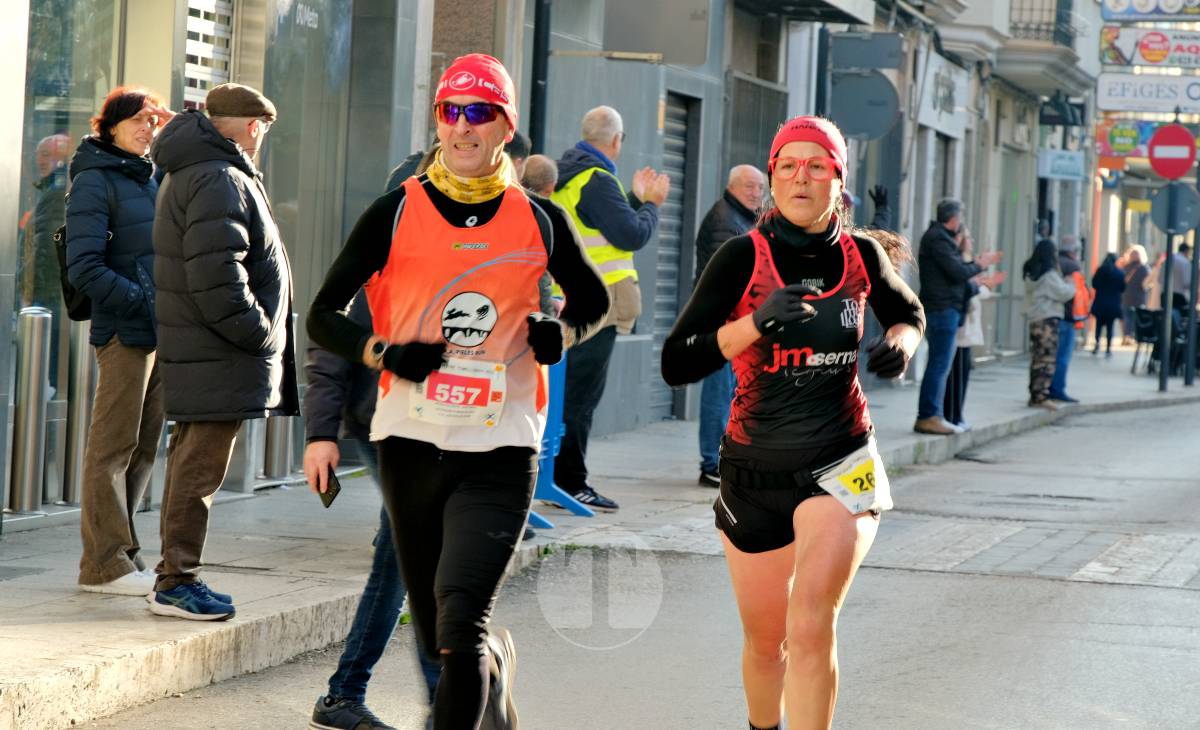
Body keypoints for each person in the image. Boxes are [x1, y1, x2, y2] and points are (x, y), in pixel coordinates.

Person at [307, 54, 608, 730]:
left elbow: (593, 301)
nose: (465, 127)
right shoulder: (394, 211)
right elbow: (321, 315)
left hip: (502, 445)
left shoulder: (538, 219)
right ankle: (491, 673)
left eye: (480, 113)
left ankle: (481, 663)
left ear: (506, 126)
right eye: (452, 112)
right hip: (409, 440)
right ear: (438, 122)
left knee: (460, 623)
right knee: (435, 634)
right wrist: (385, 352)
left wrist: (560, 332)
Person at [662, 116, 924, 730]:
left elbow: (908, 312)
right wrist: (754, 324)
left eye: (816, 166)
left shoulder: (860, 256)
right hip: (752, 470)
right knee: (766, 642)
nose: (800, 177)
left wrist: (903, 342)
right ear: (773, 176)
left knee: (810, 623)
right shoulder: (740, 258)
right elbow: (677, 362)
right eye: (787, 166)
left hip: (842, 461)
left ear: (839, 178)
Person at [149, 82, 298, 620]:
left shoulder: (204, 170)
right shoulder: (218, 175)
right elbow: (217, 275)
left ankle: (176, 574)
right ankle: (176, 582)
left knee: (193, 465)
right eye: (262, 128)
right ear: (250, 125)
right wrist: (261, 333)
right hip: (218, 351)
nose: (261, 137)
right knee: (198, 470)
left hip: (208, 350)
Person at [304, 291, 442, 730]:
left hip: (449, 426)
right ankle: (445, 697)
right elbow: (329, 341)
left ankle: (344, 695)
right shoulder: (380, 256)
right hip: (384, 424)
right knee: (418, 555)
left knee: (401, 559)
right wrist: (320, 434)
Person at [67, 87, 172, 596]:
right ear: (109, 125)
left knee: (143, 449)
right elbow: (84, 267)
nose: (146, 128)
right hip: (124, 331)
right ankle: (102, 564)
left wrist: (175, 129)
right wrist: (143, 300)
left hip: (158, 332)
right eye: (137, 120)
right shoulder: (94, 180)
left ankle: (125, 555)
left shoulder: (152, 176)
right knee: (112, 448)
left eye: (152, 121)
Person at [551, 105, 670, 512]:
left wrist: (633, 197)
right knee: (580, 400)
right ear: (616, 141)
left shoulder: (571, 176)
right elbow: (630, 234)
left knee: (566, 398)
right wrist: (651, 203)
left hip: (569, 301)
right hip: (595, 308)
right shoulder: (597, 180)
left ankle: (556, 477)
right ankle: (570, 482)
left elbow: (600, 230)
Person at [693, 164, 764, 487]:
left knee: (732, 393)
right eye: (749, 186)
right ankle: (711, 462)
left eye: (760, 188)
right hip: (722, 322)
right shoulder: (725, 220)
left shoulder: (744, 219)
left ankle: (724, 458)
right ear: (732, 186)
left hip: (736, 322)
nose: (755, 193)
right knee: (719, 394)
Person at [914, 199, 1000, 435]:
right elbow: (958, 272)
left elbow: (958, 272)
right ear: (953, 219)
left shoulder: (939, 238)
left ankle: (933, 414)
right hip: (942, 310)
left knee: (941, 365)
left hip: (944, 309)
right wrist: (980, 264)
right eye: (960, 218)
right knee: (939, 366)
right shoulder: (938, 239)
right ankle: (929, 415)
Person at [942, 227, 1004, 431]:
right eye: (968, 236)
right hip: (961, 326)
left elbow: (975, 288)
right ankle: (952, 416)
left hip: (966, 325)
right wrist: (981, 284)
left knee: (963, 373)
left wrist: (984, 283)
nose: (971, 239)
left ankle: (957, 415)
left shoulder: (966, 262)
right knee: (957, 374)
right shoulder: (959, 262)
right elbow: (968, 289)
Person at [1023, 239, 1075, 410]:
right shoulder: (1049, 275)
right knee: (1046, 358)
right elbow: (1064, 293)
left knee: (1037, 357)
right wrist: (1071, 284)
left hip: (1035, 319)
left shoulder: (1032, 273)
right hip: (1048, 319)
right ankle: (1041, 395)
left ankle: (1035, 393)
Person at [1049, 235, 1086, 403]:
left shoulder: (1054, 263)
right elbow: (1076, 294)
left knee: (1052, 355)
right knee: (1062, 356)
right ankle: (1057, 389)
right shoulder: (1073, 266)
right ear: (1074, 251)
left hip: (1053, 315)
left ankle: (1048, 387)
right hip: (1068, 316)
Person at [1090, 253, 1126, 358]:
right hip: (1113, 303)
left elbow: (1094, 284)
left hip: (1101, 301)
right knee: (1110, 326)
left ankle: (1097, 344)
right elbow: (1123, 288)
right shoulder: (1119, 273)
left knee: (1099, 325)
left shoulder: (1100, 271)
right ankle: (1108, 348)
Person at [1120, 244, 1151, 344]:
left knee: (1126, 317)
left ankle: (1126, 336)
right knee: (1136, 318)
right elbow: (1147, 283)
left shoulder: (1125, 267)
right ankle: (1133, 336)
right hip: (1139, 297)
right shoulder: (1144, 268)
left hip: (1126, 296)